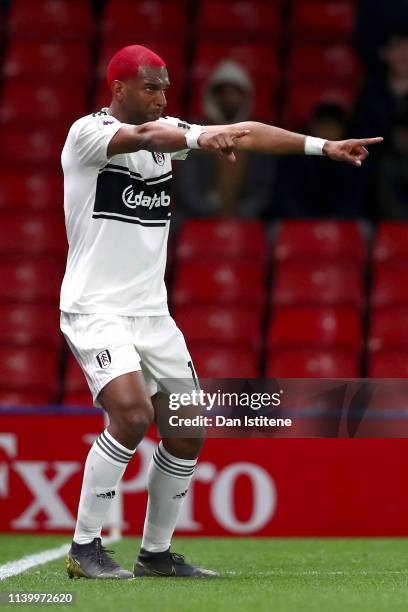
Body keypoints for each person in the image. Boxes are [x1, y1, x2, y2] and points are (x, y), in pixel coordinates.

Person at [59, 44, 382, 580]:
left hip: (152, 314)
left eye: (165, 86)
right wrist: (195, 137)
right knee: (133, 415)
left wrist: (323, 147)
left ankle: (156, 554)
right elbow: (142, 137)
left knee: (187, 429)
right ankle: (84, 547)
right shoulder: (87, 134)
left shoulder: (170, 130)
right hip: (95, 308)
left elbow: (248, 130)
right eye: (151, 87)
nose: (163, 96)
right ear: (118, 88)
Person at [174, 60, 277, 218]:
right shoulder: (195, 133)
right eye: (223, 92)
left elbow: (265, 189)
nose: (229, 98)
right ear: (212, 96)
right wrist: (210, 213)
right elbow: (188, 187)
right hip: (198, 219)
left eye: (235, 92)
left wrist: (242, 213)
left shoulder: (257, 134)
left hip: (248, 222)